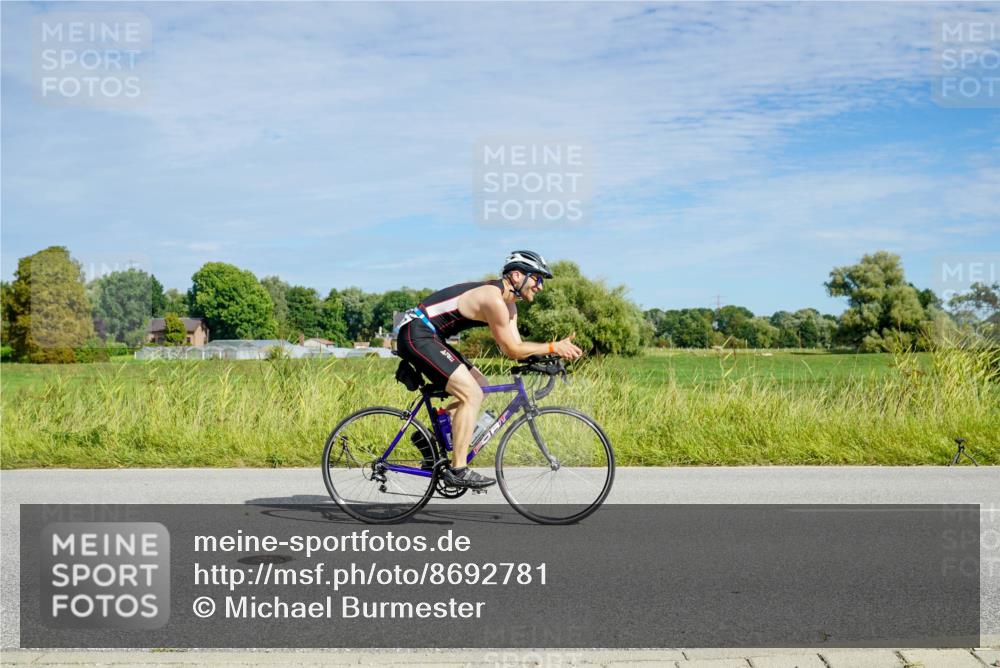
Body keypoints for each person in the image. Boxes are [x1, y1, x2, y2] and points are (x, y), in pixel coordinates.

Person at [395, 250, 583, 489]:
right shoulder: (492, 298)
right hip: (417, 333)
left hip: (432, 336)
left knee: (480, 387)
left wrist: (546, 358)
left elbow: (517, 348)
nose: (540, 286)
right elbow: (513, 349)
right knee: (471, 393)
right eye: (538, 278)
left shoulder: (509, 306)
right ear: (516, 275)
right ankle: (458, 469)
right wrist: (553, 346)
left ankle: (429, 440)